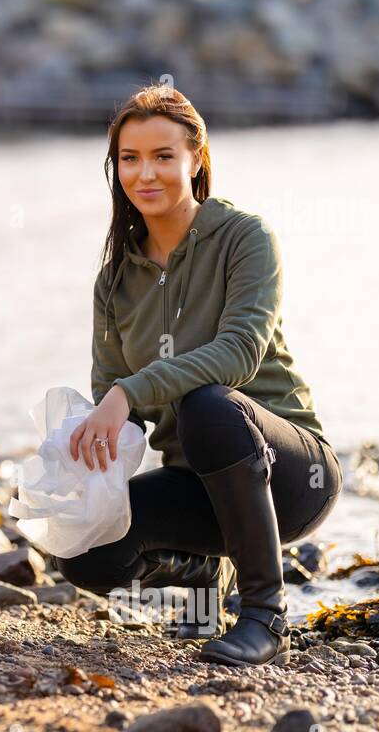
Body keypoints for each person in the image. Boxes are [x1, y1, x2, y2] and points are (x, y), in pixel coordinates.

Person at [59, 85, 342, 667]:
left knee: (208, 405)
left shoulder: (245, 238)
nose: (146, 174)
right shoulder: (114, 279)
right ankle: (201, 567)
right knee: (80, 550)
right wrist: (74, 461)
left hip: (288, 474)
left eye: (164, 156)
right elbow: (113, 395)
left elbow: (239, 352)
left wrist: (127, 392)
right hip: (197, 487)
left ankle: (264, 615)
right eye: (130, 159)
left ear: (196, 160)